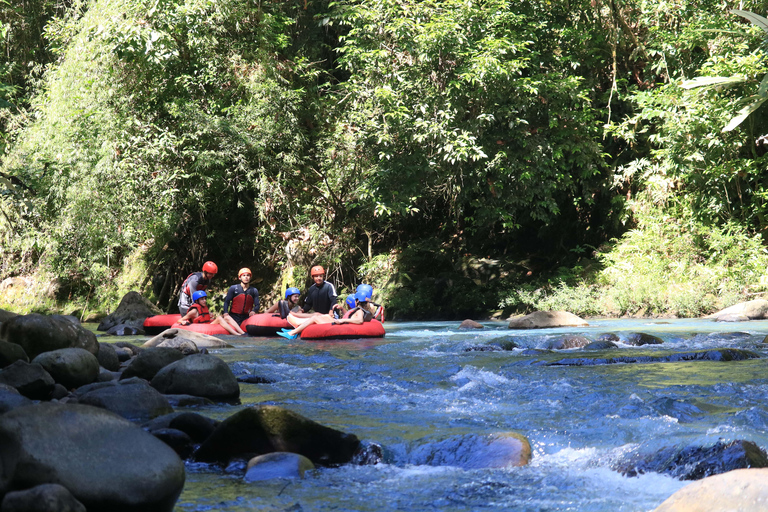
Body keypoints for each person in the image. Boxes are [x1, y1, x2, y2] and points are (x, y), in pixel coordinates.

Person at [278, 290, 373, 339]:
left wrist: (343, 320)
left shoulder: (359, 311)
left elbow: (359, 320)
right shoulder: (358, 310)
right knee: (320, 315)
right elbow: (350, 316)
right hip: (339, 322)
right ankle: (295, 329)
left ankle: (293, 333)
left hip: (340, 325)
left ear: (357, 301)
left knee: (315, 317)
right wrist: (342, 310)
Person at [178, 291, 245, 335]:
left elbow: (205, 316)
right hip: (201, 327)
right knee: (219, 318)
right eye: (202, 299)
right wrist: (183, 322)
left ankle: (242, 333)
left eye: (205, 299)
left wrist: (210, 315)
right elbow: (180, 319)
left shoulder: (204, 307)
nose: (204, 301)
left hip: (207, 325)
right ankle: (237, 334)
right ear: (197, 301)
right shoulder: (194, 311)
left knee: (226, 317)